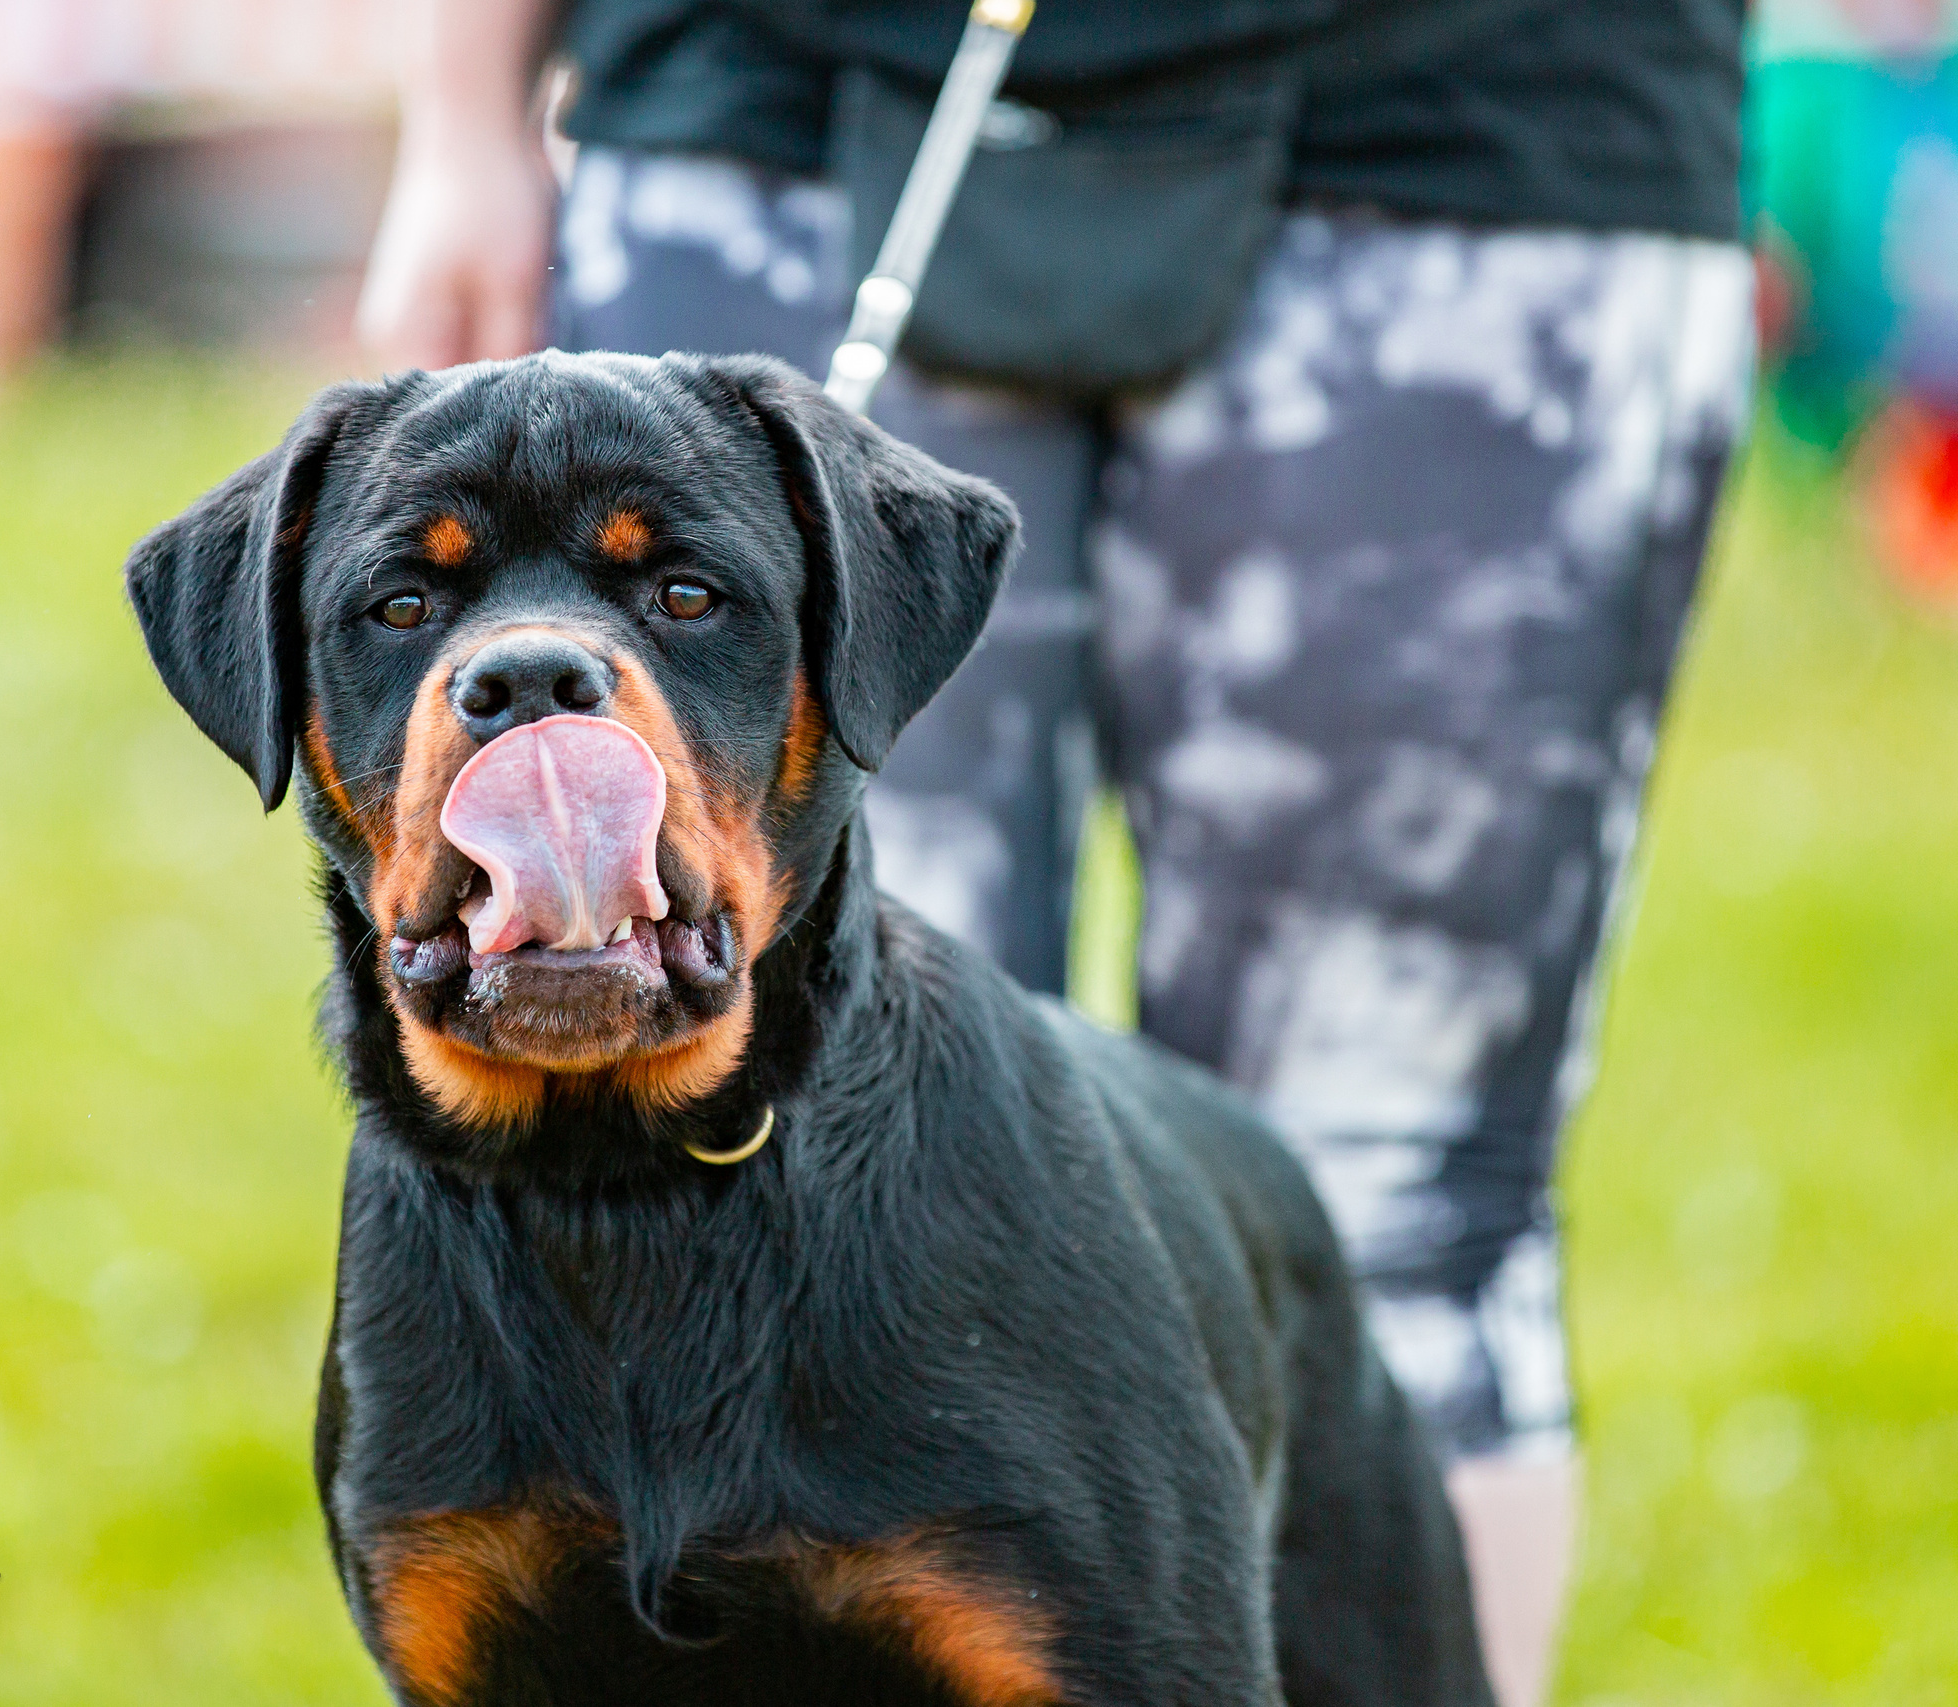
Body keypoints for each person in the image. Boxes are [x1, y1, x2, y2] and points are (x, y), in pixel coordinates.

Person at [357, 5, 1753, 1702]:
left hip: (1473, 100)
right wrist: (463, 107)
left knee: (1385, 1195)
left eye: (683, 594)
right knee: (868, 1041)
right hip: (771, 73)